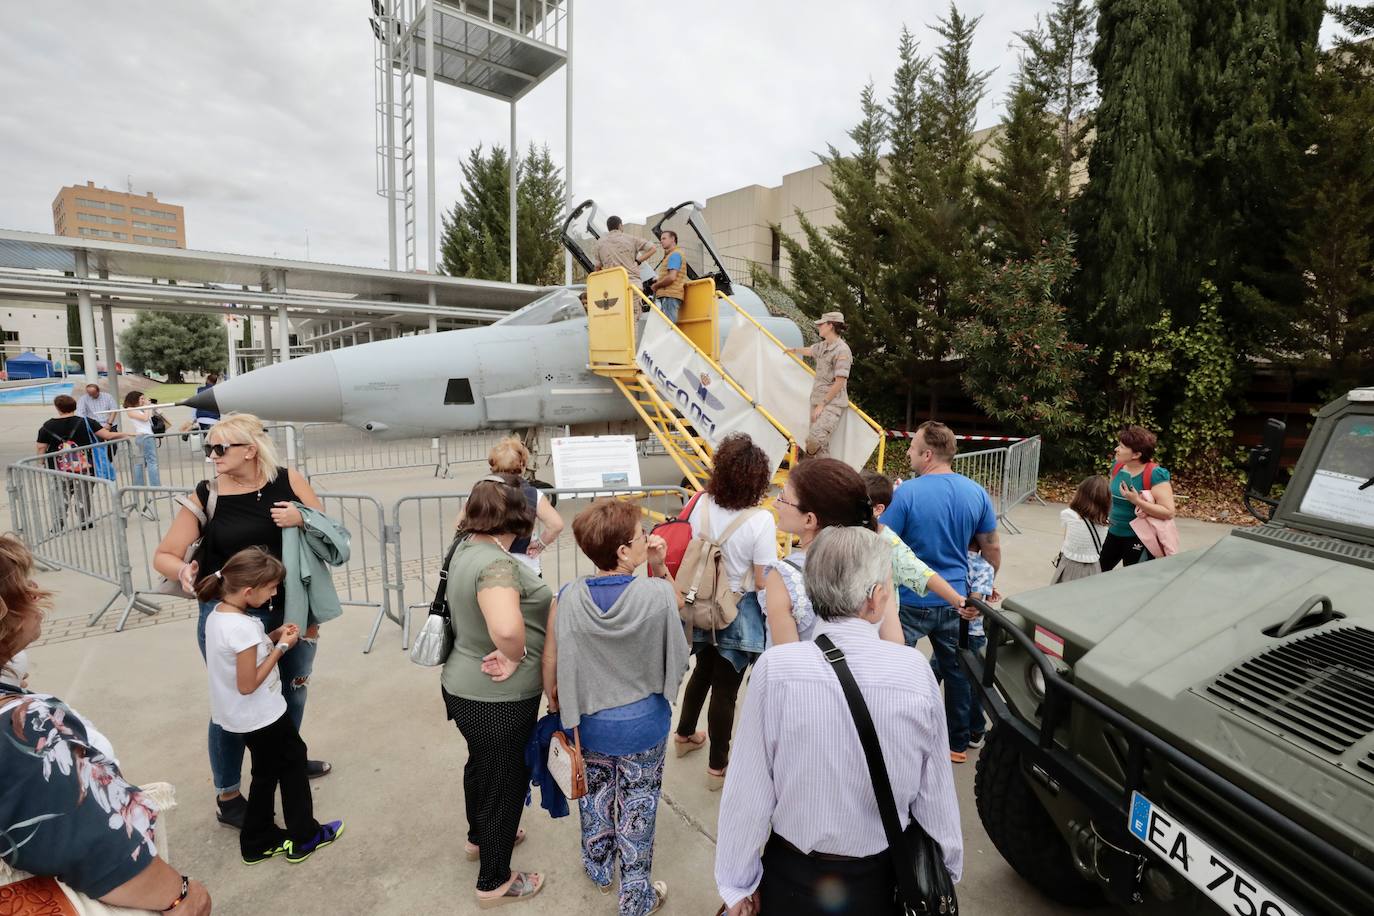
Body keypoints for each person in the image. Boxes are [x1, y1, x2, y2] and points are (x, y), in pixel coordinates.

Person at [714, 527, 963, 916]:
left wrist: (737, 884)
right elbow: (935, 797)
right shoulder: (915, 673)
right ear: (877, 599)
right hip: (882, 879)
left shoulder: (775, 670)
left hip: (791, 874)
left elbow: (748, 794)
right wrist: (943, 872)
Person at [0, 535, 213, 914]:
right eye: (20, 586)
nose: (35, 591)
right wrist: (183, 896)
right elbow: (107, 856)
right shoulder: (22, 726)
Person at [152, 412, 334, 830]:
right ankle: (229, 793)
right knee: (234, 704)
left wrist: (302, 518)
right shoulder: (207, 494)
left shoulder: (289, 481)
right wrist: (181, 570)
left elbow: (329, 535)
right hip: (231, 614)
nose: (211, 456)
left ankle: (286, 754)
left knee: (293, 690)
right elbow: (165, 553)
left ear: (250, 450)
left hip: (291, 610)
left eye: (220, 448)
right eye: (208, 448)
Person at [542, 499, 687, 916]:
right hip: (644, 725)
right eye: (641, 535)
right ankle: (636, 895)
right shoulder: (656, 594)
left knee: (595, 798)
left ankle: (600, 868)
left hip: (590, 723)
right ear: (623, 551)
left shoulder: (567, 596)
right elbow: (678, 605)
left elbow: (551, 658)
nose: (647, 539)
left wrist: (555, 697)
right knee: (638, 806)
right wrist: (659, 564)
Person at [442, 473, 551, 908]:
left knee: (483, 765)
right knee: (506, 781)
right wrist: (517, 652)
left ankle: (478, 838)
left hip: (464, 685)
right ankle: (494, 879)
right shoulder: (497, 565)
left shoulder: (466, 546)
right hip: (498, 696)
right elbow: (506, 627)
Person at [196, 547, 344, 865]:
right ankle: (305, 836)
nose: (275, 593)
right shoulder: (242, 628)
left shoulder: (220, 615)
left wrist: (272, 635)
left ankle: (258, 839)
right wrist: (281, 647)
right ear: (250, 591)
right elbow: (248, 683)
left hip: (240, 718)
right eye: (271, 587)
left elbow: (243, 653)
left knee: (264, 772)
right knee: (292, 763)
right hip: (262, 714)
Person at [879, 420, 997, 764]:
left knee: (897, 668)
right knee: (958, 673)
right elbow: (992, 549)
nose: (909, 452)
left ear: (927, 454)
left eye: (913, 448)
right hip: (956, 600)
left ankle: (894, 735)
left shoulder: (907, 494)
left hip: (911, 601)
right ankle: (956, 745)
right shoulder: (975, 492)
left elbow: (883, 543)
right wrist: (983, 591)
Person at [672, 434, 776, 790]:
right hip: (736, 609)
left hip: (698, 602)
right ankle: (718, 767)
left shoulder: (700, 502)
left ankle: (684, 735)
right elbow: (762, 580)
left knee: (701, 671)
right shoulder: (760, 520)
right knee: (726, 689)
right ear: (756, 479)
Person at [765, 458, 906, 647]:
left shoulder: (783, 575)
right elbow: (894, 641)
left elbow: (786, 661)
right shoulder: (876, 562)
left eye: (782, 497)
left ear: (809, 520)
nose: (775, 503)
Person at [862, 470, 966, 610]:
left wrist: (957, 600)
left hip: (879, 622)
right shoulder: (842, 530)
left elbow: (922, 573)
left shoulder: (887, 541)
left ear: (878, 509)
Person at [35, 393, 128, 529]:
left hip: (57, 467)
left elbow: (41, 447)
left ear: (58, 408)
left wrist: (41, 462)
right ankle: (85, 520)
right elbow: (106, 435)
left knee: (60, 493)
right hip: (84, 466)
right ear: (75, 406)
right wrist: (125, 434)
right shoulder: (85, 422)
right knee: (84, 492)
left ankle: (58, 522)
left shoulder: (48, 426)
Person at [486, 437, 564, 576]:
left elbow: (460, 525)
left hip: (489, 563)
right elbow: (556, 525)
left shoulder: (480, 491)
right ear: (522, 465)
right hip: (525, 565)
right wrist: (539, 545)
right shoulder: (533, 494)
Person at [1102, 426, 1176, 570]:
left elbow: (1168, 512)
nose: (1116, 449)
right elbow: (1111, 496)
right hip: (1113, 532)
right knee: (1097, 572)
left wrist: (1136, 501)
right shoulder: (1117, 466)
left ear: (1136, 454)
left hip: (1139, 539)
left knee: (1133, 582)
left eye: (1122, 447)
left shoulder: (1155, 474)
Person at [785, 312, 852, 459]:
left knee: (815, 440)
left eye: (822, 324)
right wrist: (794, 350)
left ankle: (807, 464)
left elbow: (840, 382)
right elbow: (811, 350)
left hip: (831, 404)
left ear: (831, 325)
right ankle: (826, 478)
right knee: (821, 449)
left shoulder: (842, 350)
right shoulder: (823, 346)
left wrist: (823, 404)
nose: (819, 327)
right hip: (817, 402)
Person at [1054, 475, 1111, 582]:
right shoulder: (1105, 520)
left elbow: (1066, 541)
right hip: (1094, 567)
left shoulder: (1069, 515)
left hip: (1069, 566)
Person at [124, 391, 162, 519]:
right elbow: (145, 418)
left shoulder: (140, 409)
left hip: (146, 436)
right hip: (144, 437)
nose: (143, 400)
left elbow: (151, 418)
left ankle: (140, 484)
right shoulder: (130, 409)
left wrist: (151, 407)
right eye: (141, 398)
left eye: (143, 398)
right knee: (151, 462)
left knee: (143, 462)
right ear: (134, 399)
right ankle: (155, 486)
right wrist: (147, 406)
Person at [594, 215, 656, 283]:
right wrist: (637, 261)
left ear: (608, 228)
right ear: (620, 225)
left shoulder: (599, 244)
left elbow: (597, 268)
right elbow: (653, 248)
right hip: (632, 284)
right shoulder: (631, 239)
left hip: (613, 285)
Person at [648, 230, 687, 323]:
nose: (661, 241)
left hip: (669, 296)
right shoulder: (672, 255)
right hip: (669, 295)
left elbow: (672, 277)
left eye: (664, 238)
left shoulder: (674, 255)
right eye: (661, 239)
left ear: (673, 239)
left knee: (668, 327)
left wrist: (656, 286)